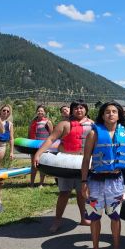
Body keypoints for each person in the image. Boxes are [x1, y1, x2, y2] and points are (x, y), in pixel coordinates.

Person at [81, 101, 125, 249]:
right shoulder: (93, 134)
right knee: (95, 216)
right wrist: (83, 182)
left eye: (114, 111)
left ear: (119, 115)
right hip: (96, 181)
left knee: (115, 217)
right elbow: (86, 159)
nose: (111, 114)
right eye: (107, 111)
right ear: (102, 115)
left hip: (116, 181)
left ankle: (116, 248)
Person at [33, 100, 92, 234]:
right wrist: (38, 154)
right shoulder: (64, 124)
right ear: (72, 110)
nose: (79, 110)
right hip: (66, 163)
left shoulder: (92, 124)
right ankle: (57, 220)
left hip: (83, 163)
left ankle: (83, 217)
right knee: (64, 193)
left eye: (82, 108)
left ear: (86, 110)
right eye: (76, 108)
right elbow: (50, 139)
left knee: (81, 193)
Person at [28, 105, 53, 187]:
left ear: (45, 112)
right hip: (33, 146)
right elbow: (29, 134)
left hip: (43, 146)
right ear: (36, 112)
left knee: (41, 165)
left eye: (42, 111)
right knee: (33, 165)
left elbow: (52, 135)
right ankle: (31, 183)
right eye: (38, 111)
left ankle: (41, 183)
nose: (40, 112)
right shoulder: (33, 122)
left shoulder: (48, 122)